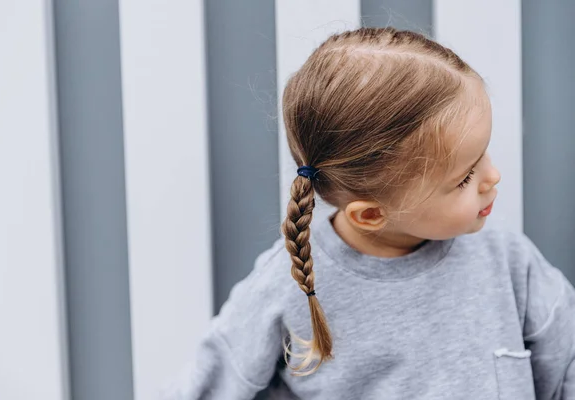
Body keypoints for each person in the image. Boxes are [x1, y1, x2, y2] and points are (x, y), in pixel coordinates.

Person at [165, 27, 575, 399]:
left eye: (483, 154)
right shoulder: (287, 285)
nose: (493, 176)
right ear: (371, 215)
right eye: (465, 177)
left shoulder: (506, 260)